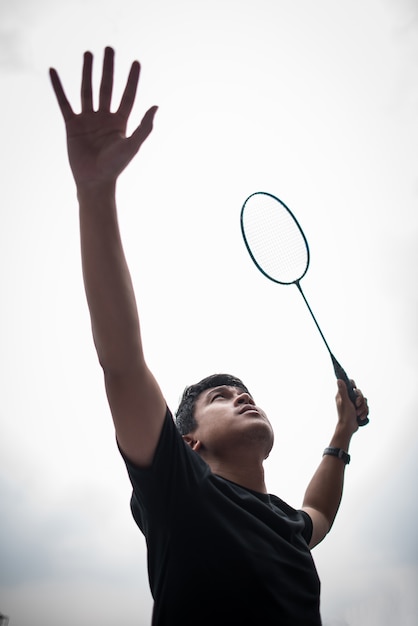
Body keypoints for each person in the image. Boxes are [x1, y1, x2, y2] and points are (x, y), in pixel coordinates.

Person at [50, 47, 370, 626]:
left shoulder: (286, 527)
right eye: (219, 397)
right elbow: (121, 363)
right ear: (189, 442)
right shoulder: (179, 493)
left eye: (242, 389)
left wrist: (342, 431)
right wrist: (95, 195)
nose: (242, 395)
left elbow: (317, 509)